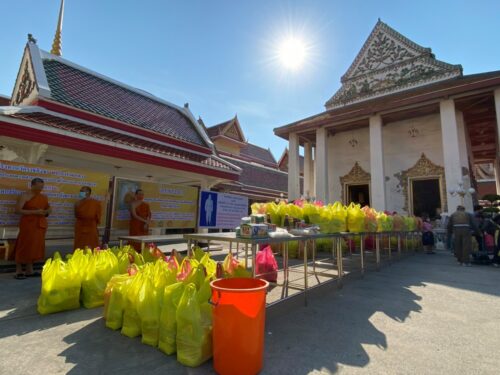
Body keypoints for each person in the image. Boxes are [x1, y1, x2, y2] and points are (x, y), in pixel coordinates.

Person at [13, 178, 51, 279]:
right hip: (28, 224)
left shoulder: (43, 197)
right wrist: (35, 212)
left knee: (34, 247)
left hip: (40, 225)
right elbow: (17, 210)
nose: (40, 189)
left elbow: (49, 208)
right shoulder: (24, 195)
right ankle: (18, 270)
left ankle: (30, 270)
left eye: (42, 187)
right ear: (32, 185)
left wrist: (46, 211)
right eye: (38, 187)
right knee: (24, 245)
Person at [74, 186, 102, 250]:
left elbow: (98, 216)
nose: (80, 192)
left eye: (82, 191)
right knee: (79, 246)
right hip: (80, 227)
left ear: (88, 192)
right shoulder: (77, 203)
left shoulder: (95, 203)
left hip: (91, 227)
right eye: (80, 191)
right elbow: (76, 215)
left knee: (92, 245)